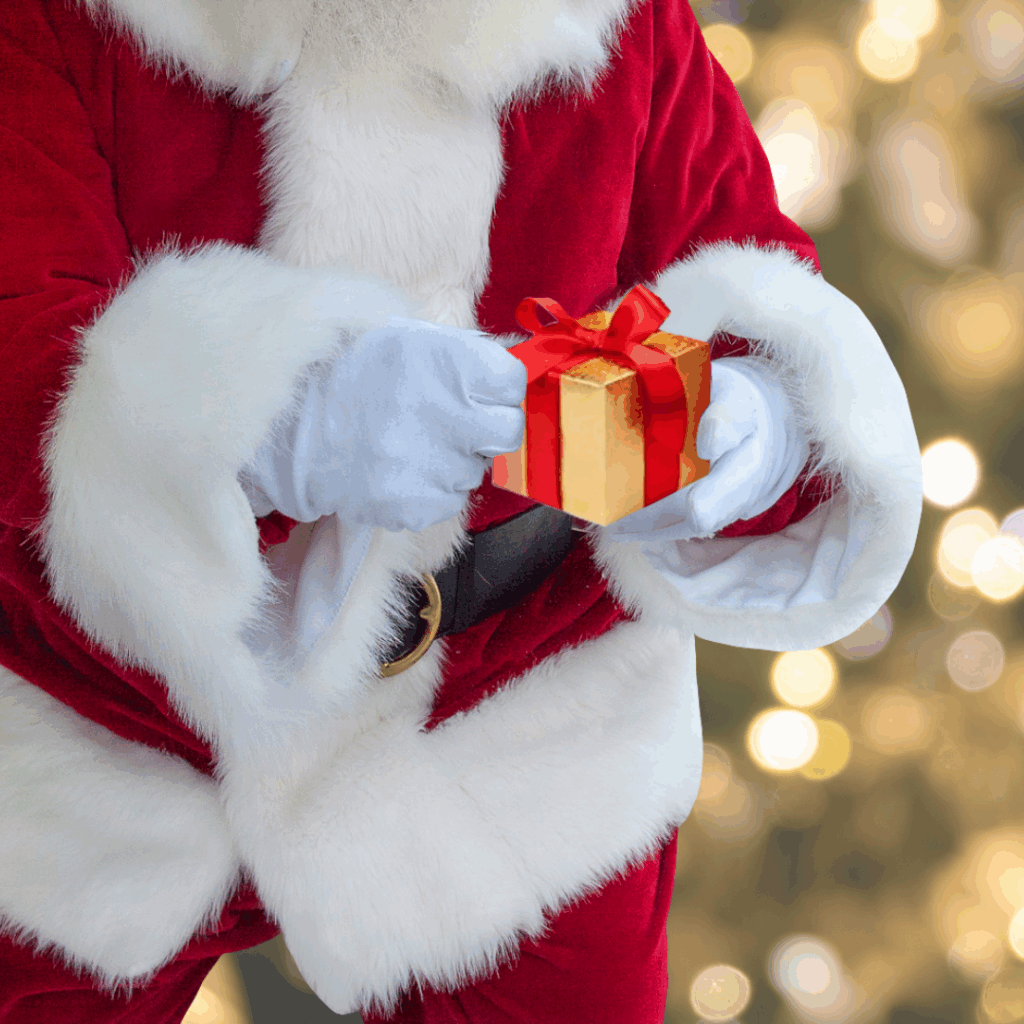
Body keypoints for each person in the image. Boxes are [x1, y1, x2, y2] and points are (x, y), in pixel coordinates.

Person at [0, 0, 922, 1020]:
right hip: (111, 707)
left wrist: (760, 430)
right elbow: (22, 329)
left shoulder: (621, 24)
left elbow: (756, 284)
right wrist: (272, 421)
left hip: (519, 704)